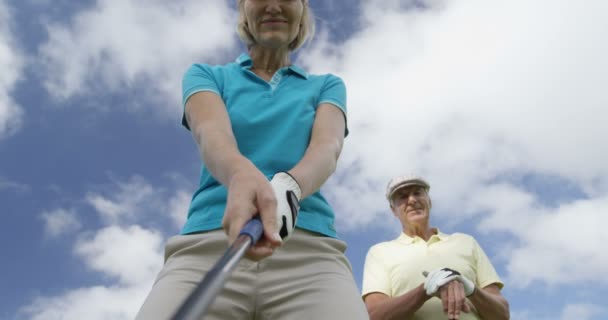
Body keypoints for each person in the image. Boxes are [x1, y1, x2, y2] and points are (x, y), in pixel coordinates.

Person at [135, 0, 368, 319]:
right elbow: (210, 130)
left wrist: (289, 186)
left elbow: (328, 147)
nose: (273, 6)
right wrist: (240, 174)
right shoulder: (205, 75)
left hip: (310, 255)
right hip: (209, 245)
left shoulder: (326, 86)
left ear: (301, 12)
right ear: (244, 12)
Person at [362, 175, 510, 320]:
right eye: (402, 196)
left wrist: (471, 289)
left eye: (417, 193)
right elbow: (375, 315)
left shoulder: (466, 242)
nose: (412, 200)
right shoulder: (380, 252)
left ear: (429, 201)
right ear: (393, 210)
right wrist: (424, 290)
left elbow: (502, 314)